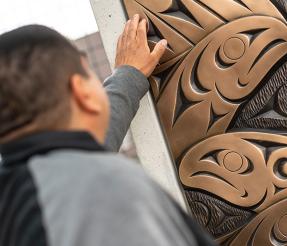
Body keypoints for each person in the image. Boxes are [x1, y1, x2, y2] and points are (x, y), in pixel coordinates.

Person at [0, 14, 216, 246]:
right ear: (82, 91)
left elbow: (72, 160)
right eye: (90, 73)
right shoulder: (102, 191)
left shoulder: (27, 196)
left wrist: (127, 76)